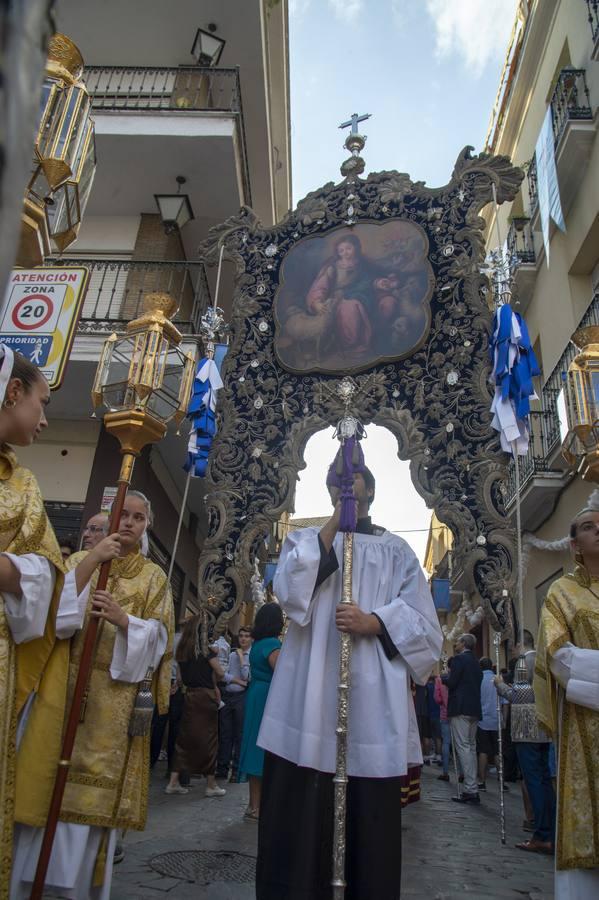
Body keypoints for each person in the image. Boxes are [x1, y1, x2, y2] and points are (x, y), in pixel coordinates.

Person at [256, 462, 442, 899]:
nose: (344, 481)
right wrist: (331, 527)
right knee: (300, 819)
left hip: (372, 700)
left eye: (354, 475)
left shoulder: (398, 551)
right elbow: (289, 592)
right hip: (307, 697)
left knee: (368, 826)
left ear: (371, 489)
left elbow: (427, 630)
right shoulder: (305, 540)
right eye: (335, 478)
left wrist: (375, 621)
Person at [11, 489, 174, 899]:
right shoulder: (77, 563)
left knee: (87, 805)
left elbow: (161, 641)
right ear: (109, 517)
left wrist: (126, 623)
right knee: (42, 792)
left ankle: (75, 888)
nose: (129, 523)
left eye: (139, 517)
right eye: (124, 515)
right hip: (61, 691)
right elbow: (52, 617)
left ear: (147, 525)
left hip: (111, 704)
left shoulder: (154, 578)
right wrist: (92, 562)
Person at [0, 347, 68, 893]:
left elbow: (45, 573)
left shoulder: (22, 485)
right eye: (42, 402)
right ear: (14, 392)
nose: (45, 418)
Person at [535, 507, 599, 897]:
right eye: (589, 527)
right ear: (574, 544)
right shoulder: (562, 593)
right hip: (584, 723)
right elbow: (557, 654)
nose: (598, 532)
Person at [495, 630, 554, 855]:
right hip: (543, 728)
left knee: (534, 782)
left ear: (521, 643)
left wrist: (500, 684)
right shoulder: (541, 660)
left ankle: (542, 833)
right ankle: (548, 830)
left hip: (526, 729)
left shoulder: (523, 663)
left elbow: (518, 697)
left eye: (513, 645)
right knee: (544, 781)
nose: (511, 650)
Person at [165, 613, 226, 799]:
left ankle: (173, 781)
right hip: (205, 698)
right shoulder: (206, 651)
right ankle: (211, 784)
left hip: (189, 695)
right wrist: (214, 681)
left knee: (184, 739)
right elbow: (220, 672)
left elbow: (181, 677)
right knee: (209, 739)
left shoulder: (183, 650)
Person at [238, 605, 283, 820]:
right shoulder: (273, 645)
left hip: (256, 693)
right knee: (262, 748)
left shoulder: (257, 645)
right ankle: (257, 806)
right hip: (267, 696)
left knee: (253, 744)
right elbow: (282, 671)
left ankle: (252, 804)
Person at [447, 633, 482, 804]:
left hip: (460, 708)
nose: (456, 643)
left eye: (458, 641)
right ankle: (472, 785)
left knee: (463, 748)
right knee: (471, 747)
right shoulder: (476, 662)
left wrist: (445, 677)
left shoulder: (459, 660)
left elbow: (453, 682)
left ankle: (470, 788)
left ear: (463, 643)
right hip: (474, 708)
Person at [216, 626, 251, 782]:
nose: (243, 639)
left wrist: (243, 659)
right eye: (241, 635)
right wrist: (236, 680)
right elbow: (223, 676)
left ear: (251, 639)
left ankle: (236, 770)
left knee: (239, 734)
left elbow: (247, 677)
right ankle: (222, 769)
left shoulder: (251, 656)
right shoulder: (230, 655)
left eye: (246, 636)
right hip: (228, 695)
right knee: (225, 734)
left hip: (241, 697)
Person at [476, 657, 504, 791]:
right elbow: (504, 702)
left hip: (482, 720)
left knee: (483, 751)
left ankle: (482, 781)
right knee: (498, 752)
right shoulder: (498, 679)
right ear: (491, 666)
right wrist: (504, 719)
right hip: (496, 719)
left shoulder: (479, 680)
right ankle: (501, 781)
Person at [434, 671, 450, 781]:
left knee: (446, 743)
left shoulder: (440, 678)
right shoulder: (458, 675)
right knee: (460, 743)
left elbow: (437, 698)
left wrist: (443, 702)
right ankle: (462, 773)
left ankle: (445, 772)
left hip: (444, 714)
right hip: (457, 713)